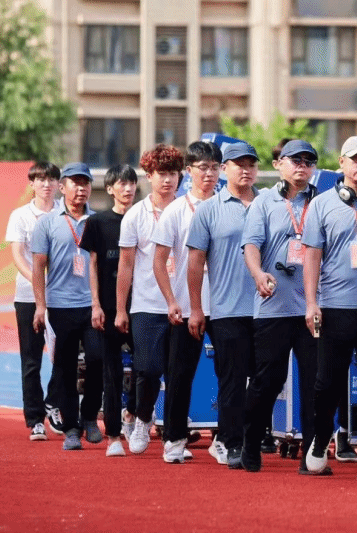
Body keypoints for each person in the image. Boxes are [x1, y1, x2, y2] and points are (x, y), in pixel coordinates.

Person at [302, 136, 357, 481]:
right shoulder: (321, 204)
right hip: (336, 306)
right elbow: (312, 255)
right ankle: (321, 440)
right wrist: (311, 302)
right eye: (355, 159)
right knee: (328, 384)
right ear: (342, 163)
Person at [239, 139, 321, 474]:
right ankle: (250, 443)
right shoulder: (264, 202)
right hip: (273, 306)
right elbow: (251, 245)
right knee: (267, 381)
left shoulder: (322, 201)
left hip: (312, 309)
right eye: (295, 160)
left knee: (315, 384)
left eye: (308, 161)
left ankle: (312, 455)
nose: (302, 166)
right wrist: (258, 274)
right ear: (278, 164)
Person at [186, 141, 261, 470]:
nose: (245, 170)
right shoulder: (209, 209)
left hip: (268, 309)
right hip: (228, 309)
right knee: (232, 379)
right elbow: (195, 262)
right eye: (238, 164)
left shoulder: (269, 204)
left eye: (251, 164)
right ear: (225, 169)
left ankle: (255, 437)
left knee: (265, 380)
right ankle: (232, 442)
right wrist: (196, 308)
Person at [151, 141, 222, 464]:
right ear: (189, 171)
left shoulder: (227, 206)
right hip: (185, 305)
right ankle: (174, 438)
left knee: (230, 375)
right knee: (180, 375)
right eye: (202, 168)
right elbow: (158, 260)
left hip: (224, 305)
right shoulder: (176, 210)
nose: (209, 174)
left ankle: (224, 439)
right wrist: (170, 300)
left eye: (214, 167)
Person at [115, 144, 184, 456]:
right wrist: (121, 309)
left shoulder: (189, 210)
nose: (167, 180)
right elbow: (125, 266)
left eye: (172, 174)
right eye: (161, 174)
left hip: (183, 304)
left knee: (178, 373)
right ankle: (142, 419)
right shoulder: (135, 216)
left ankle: (174, 436)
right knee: (148, 369)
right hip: (146, 305)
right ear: (149, 176)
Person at [31, 162, 103, 451]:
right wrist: (40, 306)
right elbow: (38, 267)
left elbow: (100, 264)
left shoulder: (97, 222)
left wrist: (100, 303)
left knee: (97, 359)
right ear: (62, 188)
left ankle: (90, 417)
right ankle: (71, 428)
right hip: (60, 306)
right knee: (64, 368)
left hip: (92, 305)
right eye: (75, 183)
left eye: (85, 183)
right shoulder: (47, 223)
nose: (81, 188)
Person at [79, 164, 137, 457]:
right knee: (111, 373)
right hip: (108, 308)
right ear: (110, 189)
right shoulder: (97, 222)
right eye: (121, 184)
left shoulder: (143, 218)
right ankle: (113, 435)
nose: (128, 189)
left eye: (131, 183)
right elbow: (92, 265)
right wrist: (96, 305)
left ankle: (133, 413)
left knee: (148, 367)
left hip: (141, 307)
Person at [5, 161, 60, 441]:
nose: (46, 185)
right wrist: (39, 282)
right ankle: (35, 419)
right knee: (31, 361)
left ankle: (53, 402)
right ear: (32, 184)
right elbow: (17, 255)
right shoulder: (20, 216)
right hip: (28, 296)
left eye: (51, 179)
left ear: (59, 184)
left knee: (65, 357)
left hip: (63, 297)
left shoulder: (65, 213)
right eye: (40, 180)